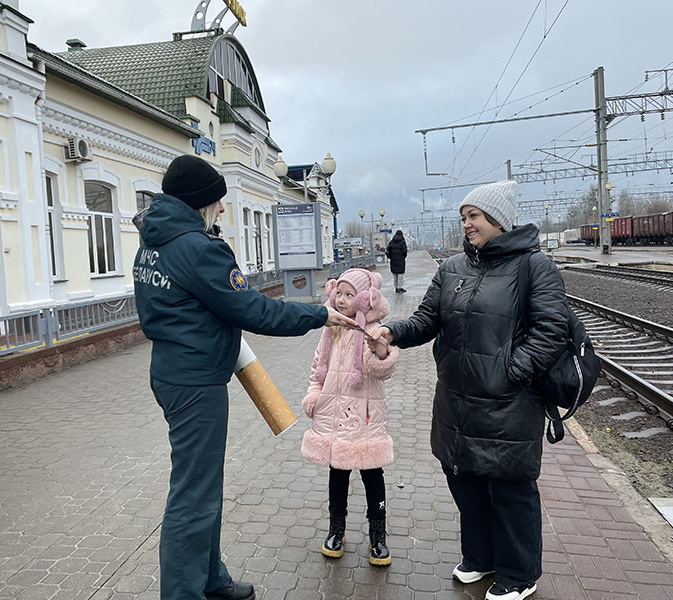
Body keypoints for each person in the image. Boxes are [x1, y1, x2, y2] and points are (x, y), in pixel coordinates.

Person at [133, 154, 356, 600]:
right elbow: (256, 310)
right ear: (201, 202)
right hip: (197, 384)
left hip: (174, 372)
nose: (221, 210)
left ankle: (211, 580)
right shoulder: (198, 248)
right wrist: (319, 313)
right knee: (193, 495)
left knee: (203, 486)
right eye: (218, 202)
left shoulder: (153, 241)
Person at [371, 181, 568, 600]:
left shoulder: (535, 268)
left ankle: (519, 574)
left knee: (510, 487)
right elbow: (427, 318)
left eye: (473, 216)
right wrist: (393, 331)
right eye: (464, 217)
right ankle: (480, 557)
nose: (467, 224)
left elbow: (552, 331)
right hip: (456, 398)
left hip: (509, 402)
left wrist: (510, 372)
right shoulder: (454, 268)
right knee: (465, 478)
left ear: (498, 219)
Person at [300, 268, 399, 566]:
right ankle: (336, 529)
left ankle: (378, 534)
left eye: (349, 295)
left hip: (365, 416)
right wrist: (314, 395)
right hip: (333, 414)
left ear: (365, 299)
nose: (341, 300)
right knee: (338, 472)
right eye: (338, 293)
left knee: (372, 474)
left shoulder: (375, 329)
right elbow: (319, 366)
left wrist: (380, 351)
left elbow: (384, 370)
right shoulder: (331, 329)